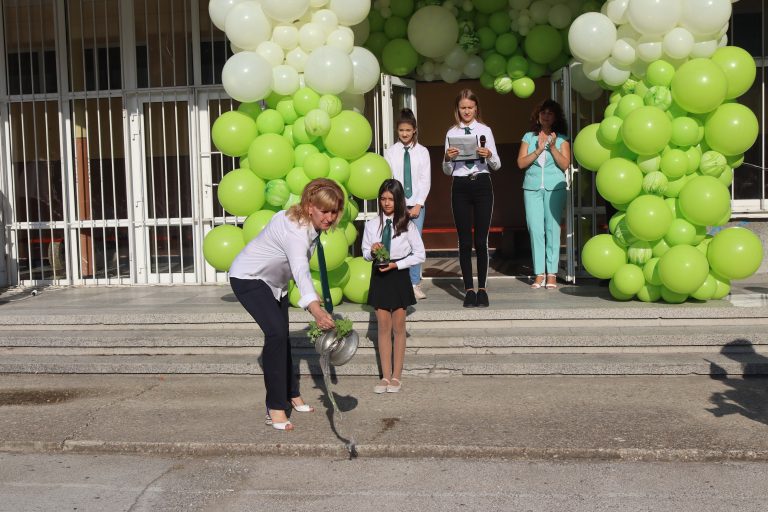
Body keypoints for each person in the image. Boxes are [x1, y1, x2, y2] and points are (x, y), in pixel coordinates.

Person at [229, 178, 343, 431]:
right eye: (324, 211)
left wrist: (313, 296)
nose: (329, 217)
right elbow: (300, 269)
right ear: (310, 206)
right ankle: (275, 407)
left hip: (274, 284)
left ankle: (291, 392)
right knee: (277, 334)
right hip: (248, 278)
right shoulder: (296, 232)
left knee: (283, 339)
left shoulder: (306, 225)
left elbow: (296, 268)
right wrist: (314, 308)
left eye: (334, 211)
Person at [362, 179, 426, 394]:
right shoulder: (372, 224)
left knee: (399, 327)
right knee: (383, 326)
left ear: (398, 200)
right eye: (383, 199)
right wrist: (372, 250)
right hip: (379, 275)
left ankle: (397, 376)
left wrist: (397, 264)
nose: (386, 203)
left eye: (390, 199)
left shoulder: (407, 224)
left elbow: (420, 254)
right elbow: (364, 252)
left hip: (398, 274)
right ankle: (385, 377)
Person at [442, 89, 501, 308]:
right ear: (457, 109)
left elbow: (497, 165)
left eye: (470, 107)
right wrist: (448, 158)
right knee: (465, 241)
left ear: (476, 108)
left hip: (482, 184)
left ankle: (483, 289)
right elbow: (447, 170)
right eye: (462, 107)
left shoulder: (485, 130)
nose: (466, 111)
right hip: (460, 186)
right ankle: (468, 290)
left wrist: (489, 155)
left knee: (480, 240)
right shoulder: (451, 132)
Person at [516, 99, 571, 290]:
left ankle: (552, 274)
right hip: (532, 188)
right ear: (538, 116)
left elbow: (565, 165)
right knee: (535, 230)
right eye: (543, 112)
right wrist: (539, 149)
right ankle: (539, 273)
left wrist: (553, 146)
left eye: (549, 113)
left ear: (555, 117)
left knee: (552, 230)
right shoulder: (528, 137)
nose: (545, 116)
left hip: (554, 187)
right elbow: (521, 163)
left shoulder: (562, 139)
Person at [384, 108, 431, 300]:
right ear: (397, 130)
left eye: (408, 130)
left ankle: (414, 283)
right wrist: (397, 204)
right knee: (398, 242)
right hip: (398, 204)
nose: (404, 134)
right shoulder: (391, 152)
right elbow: (390, 179)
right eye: (401, 130)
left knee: (415, 243)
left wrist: (419, 204)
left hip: (417, 204)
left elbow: (424, 179)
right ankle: (398, 283)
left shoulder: (422, 152)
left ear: (414, 130)